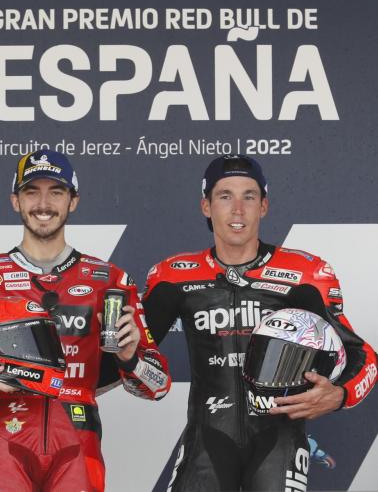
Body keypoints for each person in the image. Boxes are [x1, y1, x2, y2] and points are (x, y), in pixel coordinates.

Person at [0, 149, 171, 492]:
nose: (43, 204)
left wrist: (130, 358)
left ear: (73, 201)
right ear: (15, 201)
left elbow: (159, 386)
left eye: (56, 192)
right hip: (2, 435)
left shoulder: (111, 281)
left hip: (78, 436)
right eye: (32, 192)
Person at [142, 154, 377, 491]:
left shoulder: (305, 274)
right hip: (207, 440)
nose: (238, 209)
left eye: (249, 196)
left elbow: (363, 356)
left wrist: (340, 395)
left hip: (279, 440)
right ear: (206, 206)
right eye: (225, 196)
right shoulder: (173, 276)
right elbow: (134, 355)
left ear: (263, 206)